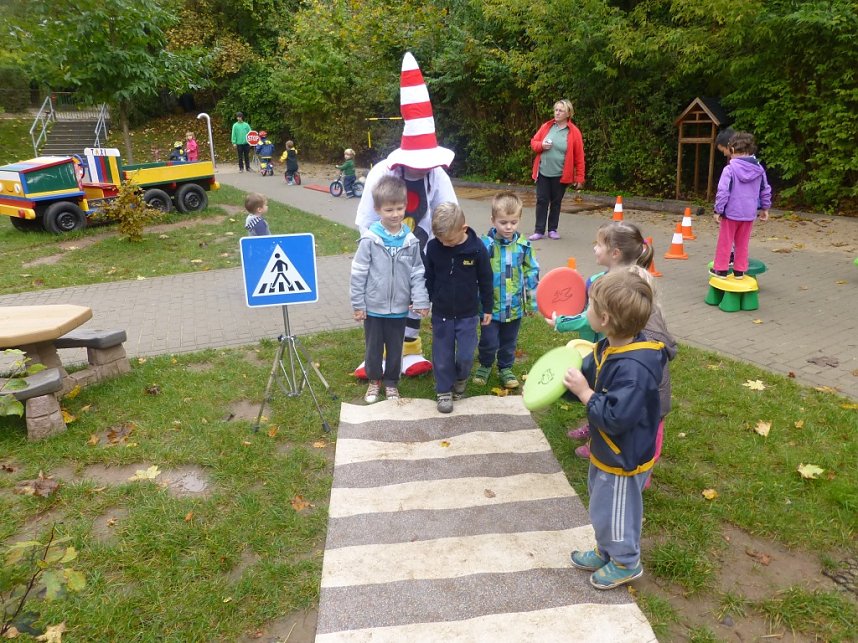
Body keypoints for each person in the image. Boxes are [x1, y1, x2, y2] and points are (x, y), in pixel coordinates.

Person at [353, 52, 458, 379]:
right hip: (383, 249)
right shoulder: (382, 173)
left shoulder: (436, 174)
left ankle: (410, 349)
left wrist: (449, 243)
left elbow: (450, 212)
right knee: (383, 302)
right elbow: (366, 217)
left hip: (420, 250)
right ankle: (377, 353)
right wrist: (373, 251)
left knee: (414, 300)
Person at [563, 269, 667, 590]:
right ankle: (607, 548)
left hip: (624, 455)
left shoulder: (635, 368)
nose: (587, 310)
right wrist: (565, 382)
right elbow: (594, 373)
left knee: (618, 508)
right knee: (601, 502)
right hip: (607, 448)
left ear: (605, 318)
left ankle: (625, 560)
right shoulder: (614, 346)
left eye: (590, 305)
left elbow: (617, 416)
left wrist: (584, 393)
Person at [552, 222, 677, 469]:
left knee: (639, 426)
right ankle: (598, 432)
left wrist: (561, 323)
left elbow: (631, 398)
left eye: (599, 244)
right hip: (620, 373)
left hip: (646, 394)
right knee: (610, 400)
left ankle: (642, 466)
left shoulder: (637, 357)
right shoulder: (618, 322)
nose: (594, 248)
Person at [350, 175, 430, 404]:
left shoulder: (411, 240)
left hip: (399, 309)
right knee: (374, 348)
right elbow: (358, 273)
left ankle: (392, 383)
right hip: (374, 308)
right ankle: (375, 381)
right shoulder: (370, 240)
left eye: (399, 208)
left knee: (396, 348)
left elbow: (417, 272)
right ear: (378, 210)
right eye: (389, 210)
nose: (395, 214)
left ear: (405, 207)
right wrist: (358, 304)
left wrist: (421, 300)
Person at [424, 202, 493, 413]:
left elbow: (486, 280)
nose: (444, 244)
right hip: (442, 313)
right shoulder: (435, 247)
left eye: (449, 240)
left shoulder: (477, 249)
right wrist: (424, 300)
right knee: (442, 355)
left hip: (468, 314)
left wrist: (487, 308)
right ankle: (443, 390)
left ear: (463, 229)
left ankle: (461, 378)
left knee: (465, 354)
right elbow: (428, 277)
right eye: (440, 239)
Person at [472, 191, 540, 389]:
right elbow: (474, 273)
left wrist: (532, 303)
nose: (509, 227)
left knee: (509, 341)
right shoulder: (484, 245)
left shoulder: (524, 247)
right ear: (493, 220)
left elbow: (532, 274)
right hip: (489, 308)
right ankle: (485, 365)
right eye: (503, 222)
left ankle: (505, 368)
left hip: (514, 307)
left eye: (513, 222)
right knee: (489, 340)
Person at [711, 132, 771, 278]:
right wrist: (765, 208)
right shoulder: (759, 170)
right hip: (749, 214)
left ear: (731, 150)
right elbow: (765, 189)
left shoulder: (729, 169)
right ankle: (740, 271)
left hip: (731, 213)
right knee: (742, 243)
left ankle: (721, 269)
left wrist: (718, 210)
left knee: (725, 241)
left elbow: (723, 192)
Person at [529, 99, 585, 241]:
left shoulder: (574, 132)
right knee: (542, 200)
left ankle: (552, 229)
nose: (557, 113)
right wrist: (541, 145)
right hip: (543, 171)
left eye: (561, 110)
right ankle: (539, 230)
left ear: (568, 113)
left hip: (560, 174)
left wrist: (579, 177)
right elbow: (534, 143)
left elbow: (579, 156)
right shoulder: (547, 127)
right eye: (556, 110)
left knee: (556, 201)